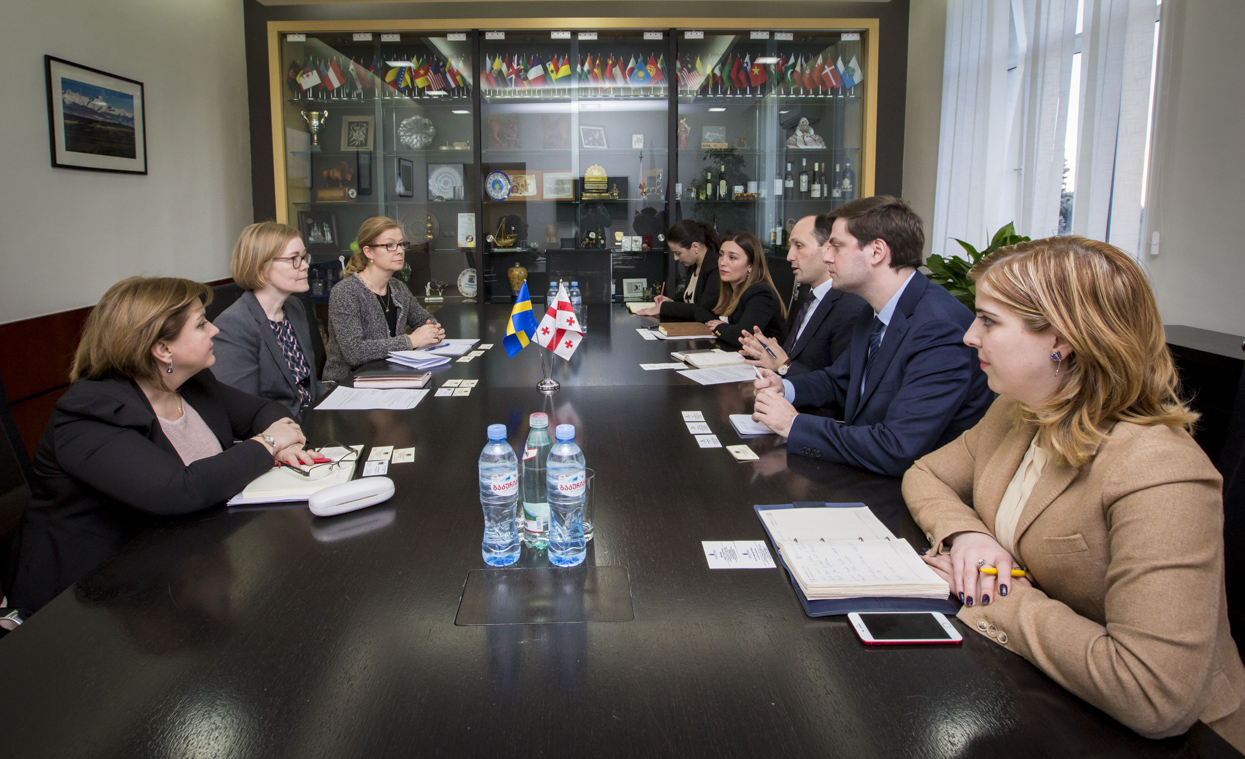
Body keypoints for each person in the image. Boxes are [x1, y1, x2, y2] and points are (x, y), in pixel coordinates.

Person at [903, 237, 1245, 751]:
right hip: (1047, 694)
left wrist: (998, 594)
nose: (970, 336)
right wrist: (969, 535)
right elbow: (925, 474)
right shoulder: (1019, 409)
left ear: (1062, 340)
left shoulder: (1160, 470)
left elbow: (1153, 694)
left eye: (989, 321)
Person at [2, 277, 311, 613]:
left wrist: (281, 443)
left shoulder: (191, 382)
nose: (215, 330)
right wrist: (268, 443)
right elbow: (178, 489)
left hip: (178, 556)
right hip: (85, 597)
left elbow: (264, 411)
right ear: (163, 349)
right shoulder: (90, 412)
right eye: (201, 324)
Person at [752, 196, 991, 477]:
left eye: (836, 246)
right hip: (867, 472)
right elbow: (840, 380)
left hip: (915, 486)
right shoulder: (875, 310)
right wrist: (785, 387)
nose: (827, 257)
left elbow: (897, 448)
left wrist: (793, 424)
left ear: (877, 252)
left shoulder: (939, 328)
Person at [738, 214, 869, 382]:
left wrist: (783, 365)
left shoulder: (850, 307)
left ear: (828, 248)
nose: (789, 256)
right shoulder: (809, 297)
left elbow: (839, 385)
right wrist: (770, 353)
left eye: (799, 246)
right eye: (790, 246)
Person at [212, 222, 324, 416]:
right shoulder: (234, 324)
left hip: (313, 418)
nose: (305, 265)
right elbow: (242, 411)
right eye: (294, 259)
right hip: (278, 428)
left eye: (304, 257)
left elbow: (309, 385)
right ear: (261, 268)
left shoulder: (294, 307)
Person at [323, 216, 445, 383]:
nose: (400, 250)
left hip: (389, 376)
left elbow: (424, 319)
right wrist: (411, 340)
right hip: (349, 384)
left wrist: (432, 330)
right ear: (369, 252)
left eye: (401, 244)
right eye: (390, 245)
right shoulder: (345, 292)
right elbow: (354, 352)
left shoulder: (398, 287)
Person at [684, 232, 787, 348]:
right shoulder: (731, 290)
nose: (722, 262)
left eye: (732, 257)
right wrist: (714, 324)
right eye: (721, 255)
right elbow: (700, 310)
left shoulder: (761, 293)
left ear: (751, 265)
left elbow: (742, 336)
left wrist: (719, 327)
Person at [633, 220, 720, 320]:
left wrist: (663, 308)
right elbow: (690, 300)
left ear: (695, 246)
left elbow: (703, 310)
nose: (675, 258)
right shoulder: (694, 265)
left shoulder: (715, 268)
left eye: (678, 253)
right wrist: (671, 302)